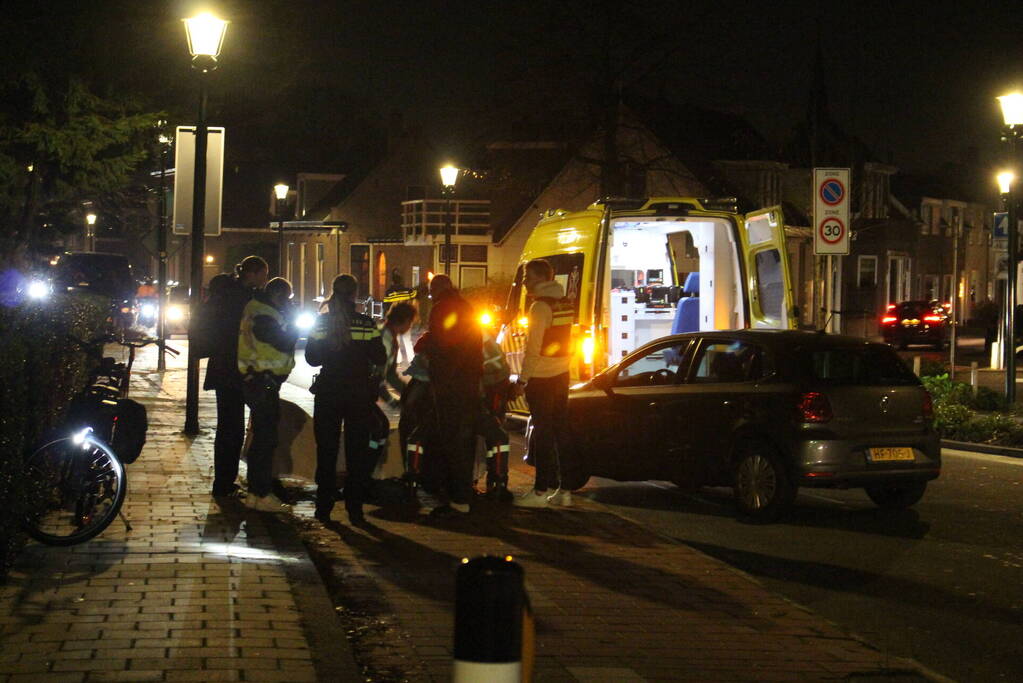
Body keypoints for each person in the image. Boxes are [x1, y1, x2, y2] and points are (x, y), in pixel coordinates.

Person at [306, 274, 387, 524]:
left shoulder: (321, 323)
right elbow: (380, 357)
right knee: (357, 452)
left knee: (326, 450)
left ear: (333, 292)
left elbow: (312, 359)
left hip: (329, 392)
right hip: (358, 394)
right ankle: (355, 509)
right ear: (354, 294)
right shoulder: (366, 323)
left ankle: (323, 507)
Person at [196, 256, 269, 498]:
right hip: (239, 369)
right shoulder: (245, 299)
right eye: (264, 274)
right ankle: (232, 483)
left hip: (222, 367)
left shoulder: (224, 294)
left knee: (228, 425)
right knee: (242, 427)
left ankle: (223, 482)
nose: (265, 280)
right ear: (254, 274)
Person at [415, 273, 482, 515]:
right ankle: (462, 493)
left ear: (435, 291)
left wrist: (426, 347)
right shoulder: (467, 308)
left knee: (452, 440)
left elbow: (442, 346)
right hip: (470, 383)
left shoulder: (442, 308)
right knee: (465, 438)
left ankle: (457, 497)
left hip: (450, 386)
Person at [513, 259, 573, 509]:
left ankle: (540, 491)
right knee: (560, 433)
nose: (524, 282)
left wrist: (522, 380)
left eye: (527, 277)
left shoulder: (539, 307)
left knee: (543, 434)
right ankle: (564, 490)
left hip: (542, 378)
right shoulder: (565, 302)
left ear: (540, 278)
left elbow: (533, 349)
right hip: (562, 374)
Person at [237, 276, 298, 511]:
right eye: (287, 298)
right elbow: (282, 342)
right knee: (266, 440)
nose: (288, 303)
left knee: (262, 438)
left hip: (259, 380)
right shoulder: (264, 314)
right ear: (278, 295)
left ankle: (255, 493)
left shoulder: (258, 309)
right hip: (263, 382)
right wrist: (292, 322)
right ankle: (261, 493)